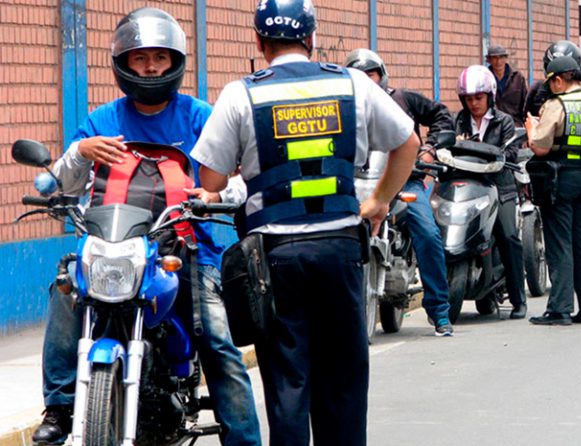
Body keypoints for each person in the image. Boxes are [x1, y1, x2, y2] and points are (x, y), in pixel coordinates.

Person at [191, 0, 419, 444]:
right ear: (312, 39)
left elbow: (211, 178)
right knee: (345, 381)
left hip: (275, 259)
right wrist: (377, 201)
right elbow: (407, 142)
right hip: (340, 248)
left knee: (288, 382)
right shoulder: (352, 83)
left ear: (259, 43)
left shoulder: (243, 93)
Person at [32, 8, 261, 445]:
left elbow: (237, 176)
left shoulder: (199, 117)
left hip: (186, 249)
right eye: (139, 58)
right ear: (123, 63)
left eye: (159, 56)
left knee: (217, 340)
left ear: (175, 61)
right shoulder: (102, 121)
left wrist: (216, 196)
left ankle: (244, 439)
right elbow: (63, 183)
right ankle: (60, 408)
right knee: (63, 289)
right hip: (110, 250)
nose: (150, 66)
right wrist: (81, 151)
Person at [344, 48, 454, 335]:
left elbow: (442, 115)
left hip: (405, 180)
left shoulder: (402, 99)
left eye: (371, 74)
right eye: (359, 76)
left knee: (428, 232)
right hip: (359, 183)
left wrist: (429, 149)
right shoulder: (344, 107)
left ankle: (440, 311)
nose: (366, 81)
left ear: (382, 75)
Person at [525, 40, 581, 292]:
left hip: (560, 175)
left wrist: (533, 129)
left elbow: (540, 146)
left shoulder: (556, 102)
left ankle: (560, 307)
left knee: (560, 241)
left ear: (558, 80)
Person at [453, 65, 528, 319]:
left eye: (478, 98)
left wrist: (477, 148)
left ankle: (519, 299)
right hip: (467, 187)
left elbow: (510, 152)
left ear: (490, 97)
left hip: (500, 188)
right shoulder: (458, 121)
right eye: (469, 98)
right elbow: (449, 146)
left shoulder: (504, 122)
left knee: (508, 237)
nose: (474, 103)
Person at [486, 44, 528, 126]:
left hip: (514, 125)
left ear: (506, 58)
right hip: (492, 126)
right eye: (495, 58)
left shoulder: (518, 78)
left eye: (501, 57)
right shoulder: (485, 78)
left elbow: (525, 106)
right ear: (489, 60)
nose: (498, 62)